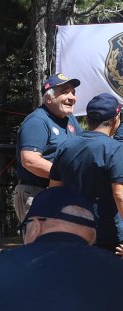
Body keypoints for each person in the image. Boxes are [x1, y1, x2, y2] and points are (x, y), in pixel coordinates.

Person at [49, 93, 123, 255]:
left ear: (88, 119)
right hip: (107, 238)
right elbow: (120, 195)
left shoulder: (65, 146)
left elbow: (54, 191)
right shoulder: (115, 149)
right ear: (116, 119)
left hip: (72, 233)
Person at [14, 73, 80, 221]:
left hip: (63, 193)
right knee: (41, 237)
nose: (72, 97)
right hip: (37, 193)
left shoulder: (70, 120)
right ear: (48, 98)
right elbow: (30, 160)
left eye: (73, 93)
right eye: (65, 92)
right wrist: (66, 174)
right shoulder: (37, 121)